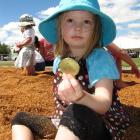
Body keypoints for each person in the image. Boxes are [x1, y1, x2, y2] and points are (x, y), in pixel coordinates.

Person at [11, 0, 131, 140]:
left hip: (99, 122)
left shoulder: (100, 58)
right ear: (59, 27)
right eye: (70, 20)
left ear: (96, 29)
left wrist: (81, 97)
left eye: (86, 21)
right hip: (62, 120)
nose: (78, 27)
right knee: (20, 119)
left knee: (76, 111)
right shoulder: (59, 60)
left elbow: (103, 103)